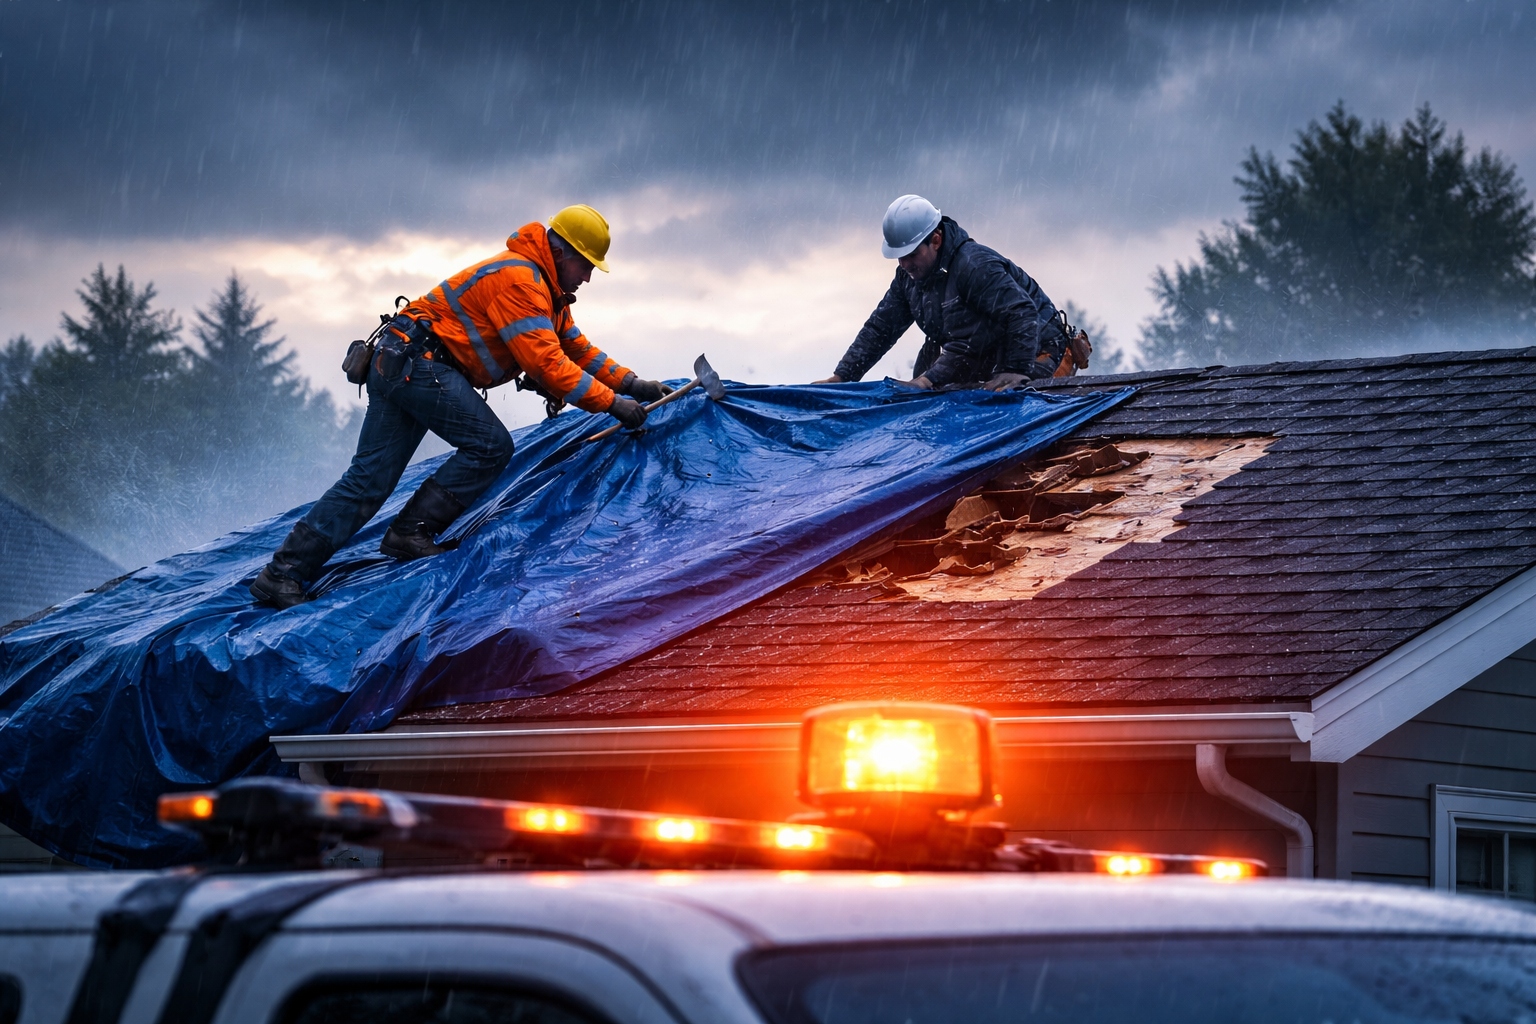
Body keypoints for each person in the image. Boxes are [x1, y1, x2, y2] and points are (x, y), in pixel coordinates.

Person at [250, 205, 671, 609]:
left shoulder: (546, 291)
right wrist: (614, 404)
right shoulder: (520, 282)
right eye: (586, 266)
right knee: (489, 446)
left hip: (401, 361)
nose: (588, 278)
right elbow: (546, 363)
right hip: (420, 365)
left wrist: (633, 384)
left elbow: (576, 350)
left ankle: (284, 572)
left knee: (368, 481)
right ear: (560, 254)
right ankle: (405, 534)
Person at [814, 195, 1069, 391]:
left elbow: (1021, 313)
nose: (904, 264)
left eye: (912, 254)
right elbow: (881, 328)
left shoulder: (974, 266)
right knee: (924, 397)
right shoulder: (908, 276)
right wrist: (842, 376)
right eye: (899, 257)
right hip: (984, 348)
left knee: (1005, 399)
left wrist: (1016, 369)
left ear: (935, 240)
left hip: (1035, 346)